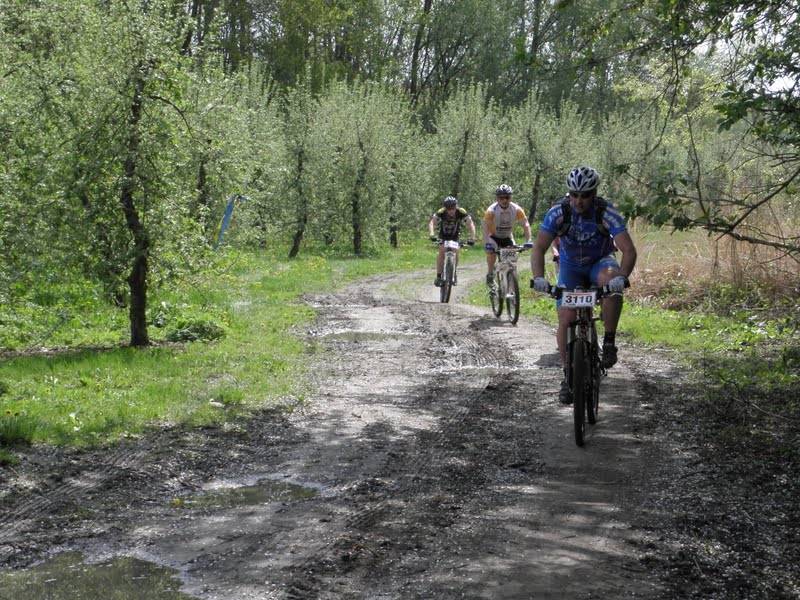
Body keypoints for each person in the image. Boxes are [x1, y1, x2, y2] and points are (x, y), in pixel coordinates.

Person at [530, 166, 637, 404]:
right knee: (566, 317)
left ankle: (609, 341)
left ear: (594, 193)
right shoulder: (558, 212)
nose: (579, 201)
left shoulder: (607, 212)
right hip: (570, 267)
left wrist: (623, 276)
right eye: (574, 195)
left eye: (585, 195)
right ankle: (568, 374)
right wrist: (538, 277)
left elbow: (628, 250)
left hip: (600, 262)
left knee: (612, 285)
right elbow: (539, 247)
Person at [483, 184, 533, 286]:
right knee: (492, 254)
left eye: (507, 197)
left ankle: (509, 282)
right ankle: (490, 274)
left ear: (511, 198)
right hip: (493, 237)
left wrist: (528, 241)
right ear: (497, 198)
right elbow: (485, 228)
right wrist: (487, 244)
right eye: (501, 197)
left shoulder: (517, 209)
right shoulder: (491, 211)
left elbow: (526, 225)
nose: (504, 200)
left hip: (507, 237)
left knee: (512, 262)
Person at [428, 195, 476, 286]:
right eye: (448, 208)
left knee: (456, 251)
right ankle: (438, 276)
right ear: (445, 208)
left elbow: (470, 224)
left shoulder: (461, 212)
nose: (451, 210)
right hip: (443, 236)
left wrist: (472, 237)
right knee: (441, 252)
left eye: (453, 208)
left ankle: (454, 272)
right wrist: (432, 234)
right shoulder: (441, 212)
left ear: (456, 206)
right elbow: (432, 222)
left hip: (455, 236)